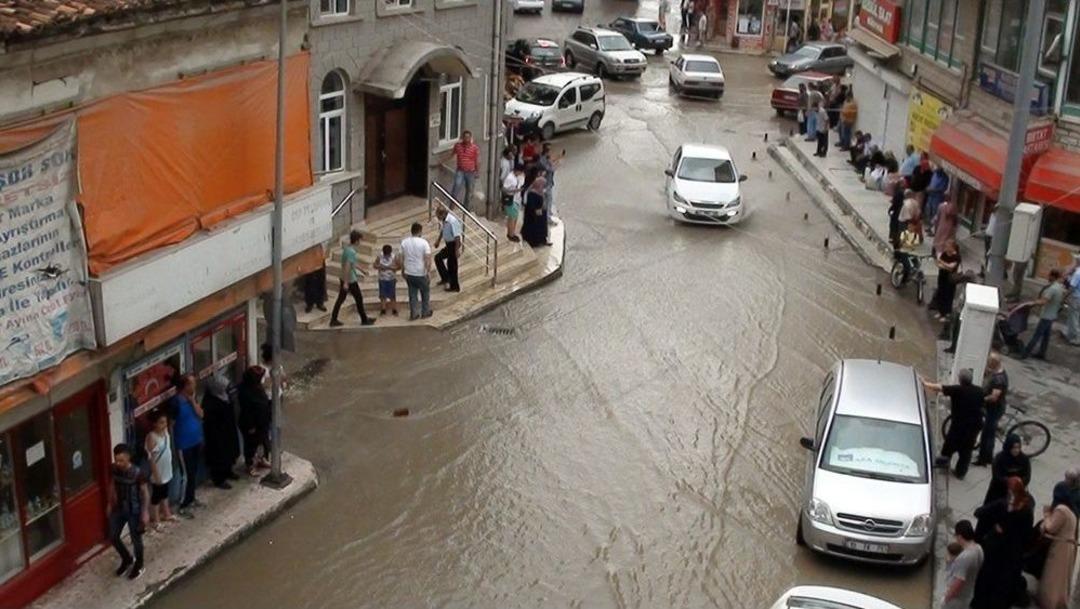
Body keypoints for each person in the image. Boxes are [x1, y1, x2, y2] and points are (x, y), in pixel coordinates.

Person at [972, 477, 1036, 609]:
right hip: (1013, 554)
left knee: (987, 579)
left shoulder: (1002, 505)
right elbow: (1027, 534)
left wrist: (995, 524)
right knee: (1004, 585)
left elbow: (979, 512)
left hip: (995, 549)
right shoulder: (1027, 509)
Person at [924, 369, 985, 480]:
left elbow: (939, 387)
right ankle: (960, 472)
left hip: (959, 425)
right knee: (966, 451)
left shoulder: (958, 390)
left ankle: (943, 465)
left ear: (960, 379)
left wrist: (925, 383)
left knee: (949, 447)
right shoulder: (979, 391)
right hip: (974, 426)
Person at [108, 444, 149, 580]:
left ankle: (139, 564)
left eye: (122, 460)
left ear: (128, 458)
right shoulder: (114, 469)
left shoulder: (138, 473)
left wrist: (144, 513)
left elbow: (145, 493)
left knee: (136, 539)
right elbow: (112, 484)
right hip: (119, 508)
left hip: (134, 510)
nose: (118, 463)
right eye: (117, 460)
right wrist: (110, 502)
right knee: (113, 536)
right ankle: (127, 559)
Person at [169, 373, 204, 516]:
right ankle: (182, 504)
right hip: (184, 445)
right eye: (192, 383)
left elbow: (201, 414)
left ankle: (191, 498)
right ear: (185, 386)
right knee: (186, 475)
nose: (194, 385)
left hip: (196, 440)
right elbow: (171, 425)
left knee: (193, 472)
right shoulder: (175, 403)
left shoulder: (192, 399)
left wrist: (192, 402)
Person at [1037, 485, 1077, 609]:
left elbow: (1050, 527)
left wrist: (1046, 515)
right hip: (1068, 548)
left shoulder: (1061, 510)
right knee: (1062, 579)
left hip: (1060, 548)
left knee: (1053, 576)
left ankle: (1049, 602)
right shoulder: (1072, 511)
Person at [329, 230, 376, 328]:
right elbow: (347, 267)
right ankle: (364, 319)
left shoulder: (348, 249)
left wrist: (363, 271)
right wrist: (346, 282)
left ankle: (334, 319)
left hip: (346, 278)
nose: (360, 242)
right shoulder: (351, 252)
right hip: (350, 280)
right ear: (357, 240)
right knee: (358, 298)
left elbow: (353, 263)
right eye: (360, 240)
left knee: (341, 299)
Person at [201, 375, 240, 490]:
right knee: (219, 457)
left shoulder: (224, 397)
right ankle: (219, 479)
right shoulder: (210, 403)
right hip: (217, 436)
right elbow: (210, 422)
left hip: (227, 431)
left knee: (229, 454)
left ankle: (228, 471)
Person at [1020, 269, 1066, 360]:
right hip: (1052, 315)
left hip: (1046, 315)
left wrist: (1032, 303)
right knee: (1046, 336)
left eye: (1049, 276)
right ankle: (1041, 353)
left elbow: (1044, 301)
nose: (1048, 277)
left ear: (1053, 276)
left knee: (1037, 335)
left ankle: (1025, 353)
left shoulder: (1052, 289)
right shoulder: (1060, 288)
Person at [975, 354, 1010, 466]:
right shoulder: (999, 371)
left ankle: (984, 458)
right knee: (989, 432)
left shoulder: (999, 380)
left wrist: (983, 399)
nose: (987, 364)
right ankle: (986, 456)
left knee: (988, 434)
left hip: (994, 409)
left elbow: (994, 397)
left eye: (989, 362)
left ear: (994, 363)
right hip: (994, 408)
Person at [981, 434, 1031, 512]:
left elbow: (1027, 476)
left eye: (1018, 447)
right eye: (1014, 447)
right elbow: (997, 476)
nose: (1016, 450)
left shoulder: (1024, 459)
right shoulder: (1000, 458)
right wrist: (1009, 481)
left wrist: (1018, 483)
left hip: (1015, 493)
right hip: (998, 491)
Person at [143, 411, 175, 530]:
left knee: (165, 492)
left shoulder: (166, 432)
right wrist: (156, 475)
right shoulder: (151, 437)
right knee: (156, 495)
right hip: (158, 470)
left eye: (165, 422)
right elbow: (151, 458)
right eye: (161, 423)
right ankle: (156, 519)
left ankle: (166, 513)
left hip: (166, 467)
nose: (164, 425)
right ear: (155, 424)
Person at [238, 365, 271, 477]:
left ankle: (262, 459)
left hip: (262, 422)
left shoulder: (257, 387)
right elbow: (247, 411)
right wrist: (251, 426)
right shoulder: (245, 392)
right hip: (252, 425)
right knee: (251, 445)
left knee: (263, 441)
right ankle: (250, 465)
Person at [943, 520, 984, 609]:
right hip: (968, 593)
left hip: (957, 599)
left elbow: (959, 581)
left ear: (960, 536)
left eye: (956, 536)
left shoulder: (964, 557)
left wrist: (947, 598)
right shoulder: (979, 548)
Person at [400, 222, 434, 320]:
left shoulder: (404, 242)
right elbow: (427, 258)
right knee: (425, 293)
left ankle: (414, 313)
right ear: (420, 231)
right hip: (421, 272)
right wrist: (428, 272)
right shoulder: (424, 243)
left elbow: (401, 258)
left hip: (409, 272)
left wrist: (403, 270)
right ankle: (425, 312)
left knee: (412, 294)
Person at [446, 130, 480, 209]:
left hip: (470, 172)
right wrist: (441, 162)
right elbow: (451, 155)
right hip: (460, 171)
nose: (466, 139)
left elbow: (476, 160)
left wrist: (477, 171)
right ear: (462, 138)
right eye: (465, 137)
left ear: (470, 138)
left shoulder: (474, 148)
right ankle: (451, 207)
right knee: (456, 187)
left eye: (468, 137)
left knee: (469, 191)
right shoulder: (458, 146)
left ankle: (466, 209)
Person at [433, 207, 463, 293]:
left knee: (452, 265)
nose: (437, 218)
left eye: (438, 216)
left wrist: (456, 250)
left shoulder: (452, 221)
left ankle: (455, 287)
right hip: (448, 244)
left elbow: (457, 237)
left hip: (453, 244)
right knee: (438, 258)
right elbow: (442, 231)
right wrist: (438, 241)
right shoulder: (444, 220)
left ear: (443, 214)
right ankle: (445, 278)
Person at [931, 240, 962, 320]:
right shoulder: (945, 254)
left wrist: (942, 263)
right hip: (942, 276)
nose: (946, 248)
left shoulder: (956, 256)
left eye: (947, 246)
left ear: (952, 247)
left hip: (950, 279)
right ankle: (941, 312)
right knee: (941, 293)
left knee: (948, 295)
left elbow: (951, 267)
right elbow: (939, 264)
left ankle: (946, 313)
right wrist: (944, 265)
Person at [521, 176, 551, 248]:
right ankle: (534, 242)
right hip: (533, 215)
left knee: (542, 227)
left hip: (541, 214)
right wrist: (536, 209)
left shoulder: (540, 192)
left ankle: (542, 240)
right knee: (534, 228)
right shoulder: (531, 193)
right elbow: (530, 205)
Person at [540, 144, 564, 223]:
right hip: (545, 185)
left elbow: (550, 162)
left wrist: (558, 157)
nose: (551, 153)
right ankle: (548, 219)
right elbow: (550, 169)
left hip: (548, 184)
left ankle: (548, 214)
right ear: (547, 152)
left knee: (548, 201)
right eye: (550, 151)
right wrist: (558, 163)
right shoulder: (543, 160)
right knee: (548, 201)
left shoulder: (545, 158)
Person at [374, 244, 400, 317]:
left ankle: (394, 309)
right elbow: (374, 265)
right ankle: (383, 309)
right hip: (382, 278)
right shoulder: (379, 256)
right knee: (382, 295)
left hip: (391, 278)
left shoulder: (394, 257)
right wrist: (380, 267)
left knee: (392, 295)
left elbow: (399, 266)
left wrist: (392, 268)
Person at [503, 164, 525, 242]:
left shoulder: (515, 177)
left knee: (514, 217)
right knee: (512, 218)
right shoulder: (510, 178)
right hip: (510, 199)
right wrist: (515, 191)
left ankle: (512, 233)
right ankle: (510, 234)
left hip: (516, 199)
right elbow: (504, 189)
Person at [925, 165, 951, 231]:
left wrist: (932, 189)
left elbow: (943, 189)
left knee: (935, 213)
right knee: (929, 211)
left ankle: (934, 229)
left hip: (937, 198)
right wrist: (928, 188)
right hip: (930, 196)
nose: (936, 170)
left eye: (938, 169)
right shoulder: (934, 174)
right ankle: (929, 226)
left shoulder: (945, 177)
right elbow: (931, 183)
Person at [1063, 261, 1080, 345]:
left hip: (1075, 297)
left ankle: (1077, 337)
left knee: (1073, 318)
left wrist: (1064, 296)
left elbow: (1072, 287)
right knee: (1076, 317)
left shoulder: (1077, 273)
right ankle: (1070, 335)